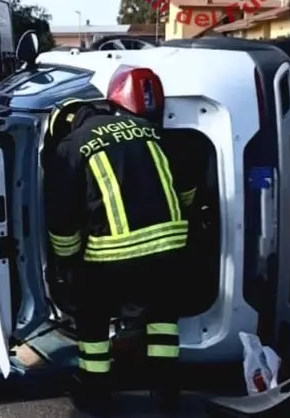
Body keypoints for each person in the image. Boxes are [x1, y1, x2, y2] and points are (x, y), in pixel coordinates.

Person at [41, 92, 195, 413]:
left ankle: (96, 392)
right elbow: (187, 183)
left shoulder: (71, 148)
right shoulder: (146, 128)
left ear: (65, 126)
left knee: (93, 317)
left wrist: (67, 264)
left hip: (112, 256)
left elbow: (64, 217)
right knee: (162, 318)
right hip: (169, 246)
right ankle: (164, 389)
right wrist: (188, 214)